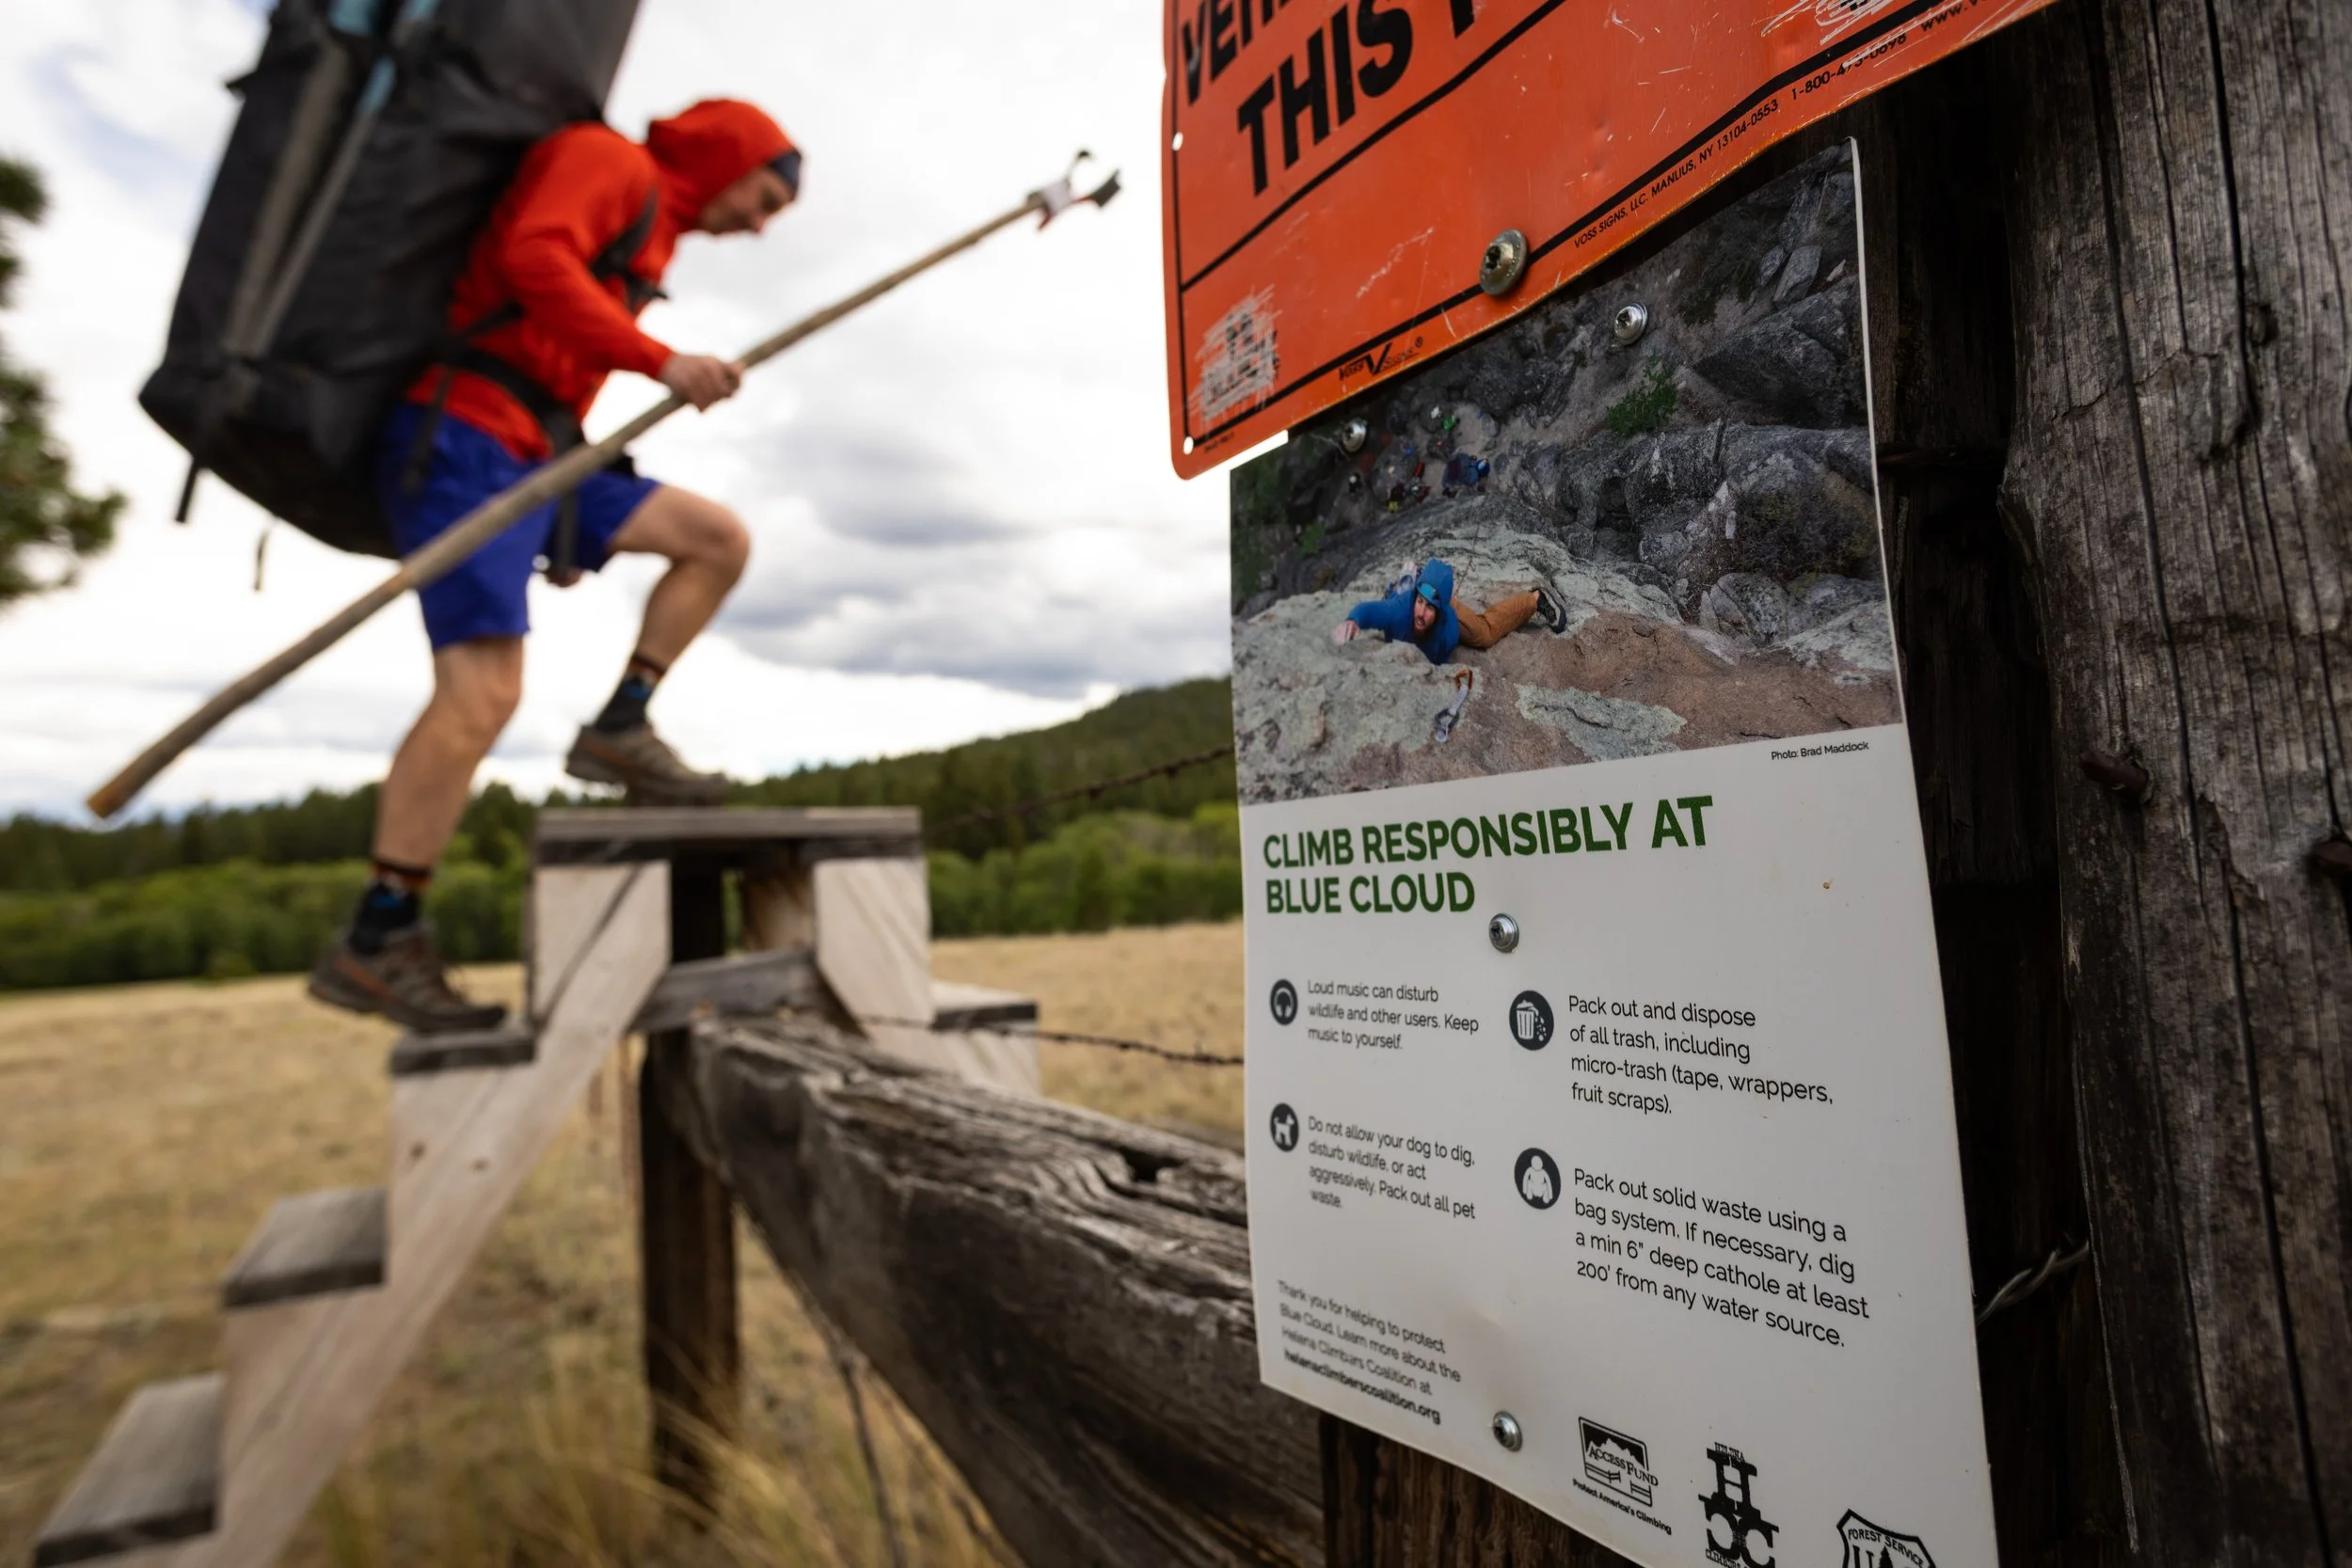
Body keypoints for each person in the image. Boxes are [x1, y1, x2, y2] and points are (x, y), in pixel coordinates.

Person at [309, 100, 800, 1033]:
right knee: (481, 694)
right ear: (729, 156)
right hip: (464, 439)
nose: (760, 222)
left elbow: (560, 351)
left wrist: (572, 511)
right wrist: (659, 360)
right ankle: (378, 933)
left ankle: (620, 725)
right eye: (763, 194)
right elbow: (535, 260)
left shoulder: (655, 229)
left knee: (713, 539)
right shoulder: (604, 161)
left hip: (545, 456)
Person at [1330, 560, 1565, 663]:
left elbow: (1439, 657)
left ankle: (1535, 599)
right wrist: (1353, 621)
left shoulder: (1449, 628)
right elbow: (1370, 610)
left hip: (1441, 599)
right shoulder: (1400, 611)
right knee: (1401, 597)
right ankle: (1408, 582)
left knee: (1484, 634)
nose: (1421, 613)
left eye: (1429, 609)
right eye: (1420, 604)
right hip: (1413, 596)